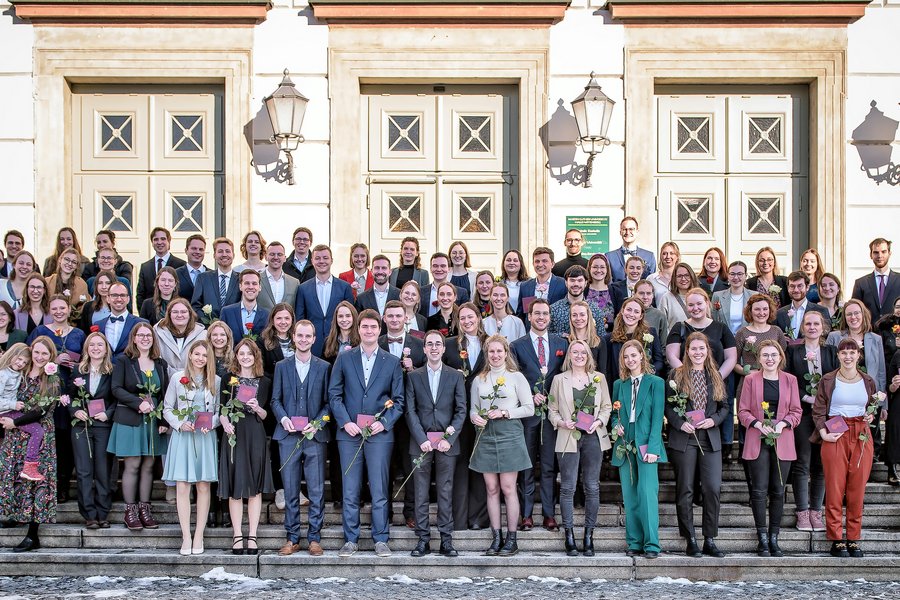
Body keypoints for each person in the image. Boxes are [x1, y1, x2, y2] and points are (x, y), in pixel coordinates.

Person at [329, 309, 405, 557]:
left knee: (380, 489)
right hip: (349, 434)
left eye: (373, 327)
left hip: (379, 434)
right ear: (358, 330)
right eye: (365, 327)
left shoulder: (392, 362)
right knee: (350, 490)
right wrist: (345, 422)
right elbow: (334, 395)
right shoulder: (344, 358)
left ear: (379, 330)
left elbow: (399, 401)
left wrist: (384, 423)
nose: (369, 331)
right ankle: (350, 540)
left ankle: (381, 539)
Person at [813, 338, 880, 558]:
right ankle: (836, 538)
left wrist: (871, 414)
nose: (848, 357)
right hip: (836, 430)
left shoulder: (867, 380)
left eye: (852, 353)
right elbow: (819, 409)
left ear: (858, 355)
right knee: (834, 486)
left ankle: (853, 537)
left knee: (857, 487)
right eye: (844, 353)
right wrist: (824, 433)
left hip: (861, 433)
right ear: (838, 356)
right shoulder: (829, 379)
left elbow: (870, 406)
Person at [665, 332, 730, 558]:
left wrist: (714, 420)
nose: (698, 352)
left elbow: (724, 408)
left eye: (702, 349)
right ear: (687, 351)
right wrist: (680, 423)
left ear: (707, 351)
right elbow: (668, 407)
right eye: (693, 349)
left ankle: (709, 539)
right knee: (686, 489)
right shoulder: (676, 375)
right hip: (685, 439)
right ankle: (690, 538)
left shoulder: (716, 376)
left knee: (712, 488)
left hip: (709, 438)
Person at [469, 334, 535, 556]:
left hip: (509, 434)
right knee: (491, 488)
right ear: (486, 355)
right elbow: (473, 408)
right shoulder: (479, 379)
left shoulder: (516, 377)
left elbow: (529, 408)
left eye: (499, 351)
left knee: (508, 488)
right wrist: (474, 417)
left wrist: (506, 412)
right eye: (491, 352)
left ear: (506, 353)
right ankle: (495, 537)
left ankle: (511, 538)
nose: (495, 355)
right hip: (486, 435)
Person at [404, 329, 467, 557]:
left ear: (443, 348)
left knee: (445, 491)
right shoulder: (413, 376)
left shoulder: (455, 376)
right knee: (420, 493)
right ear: (424, 348)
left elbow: (461, 410)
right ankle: (422, 540)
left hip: (446, 444)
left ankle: (446, 540)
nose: (433, 347)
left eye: (437, 344)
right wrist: (421, 439)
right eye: (429, 344)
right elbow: (410, 411)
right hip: (420, 443)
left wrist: (449, 439)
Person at [738, 340, 802, 557]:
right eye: (765, 355)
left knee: (778, 489)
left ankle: (775, 537)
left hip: (782, 438)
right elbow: (743, 411)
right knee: (758, 490)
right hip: (758, 437)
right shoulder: (750, 380)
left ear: (780, 357)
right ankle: (762, 538)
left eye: (773, 355)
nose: (770, 359)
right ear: (759, 358)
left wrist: (783, 424)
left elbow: (796, 411)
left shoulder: (790, 380)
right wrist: (758, 424)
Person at [548, 339, 612, 556]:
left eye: (582, 352)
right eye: (575, 352)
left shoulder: (598, 378)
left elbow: (606, 406)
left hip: (593, 437)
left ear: (588, 355)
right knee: (567, 487)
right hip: (568, 436)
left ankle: (588, 536)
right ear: (569, 355)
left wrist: (599, 421)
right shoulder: (559, 379)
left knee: (592, 486)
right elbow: (552, 409)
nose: (579, 355)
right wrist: (561, 423)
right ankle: (570, 536)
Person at [271, 320, 329, 556]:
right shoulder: (282, 367)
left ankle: (314, 537)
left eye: (308, 336)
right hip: (288, 436)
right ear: (293, 337)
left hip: (314, 437)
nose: (304, 340)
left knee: (316, 490)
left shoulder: (324, 367)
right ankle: (292, 537)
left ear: (314, 339)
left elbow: (329, 403)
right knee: (291, 489)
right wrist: (283, 418)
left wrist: (316, 424)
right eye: (300, 335)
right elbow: (275, 400)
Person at [510, 298, 567, 531]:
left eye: (545, 314)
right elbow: (514, 377)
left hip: (552, 414)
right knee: (526, 465)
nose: (541, 317)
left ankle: (548, 513)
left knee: (548, 466)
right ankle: (526, 515)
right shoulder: (517, 345)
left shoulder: (560, 343)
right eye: (537, 314)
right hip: (527, 414)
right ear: (530, 317)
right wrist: (528, 396)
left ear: (549, 317)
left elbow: (564, 376)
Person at [108, 322, 170, 531]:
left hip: (153, 421)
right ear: (134, 338)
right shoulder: (124, 361)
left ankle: (145, 509)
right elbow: (115, 388)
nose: (145, 338)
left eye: (149, 335)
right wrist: (138, 403)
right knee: (133, 464)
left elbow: (164, 395)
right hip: (130, 419)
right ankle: (130, 511)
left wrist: (163, 421)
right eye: (141, 335)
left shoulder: (160, 363)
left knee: (149, 466)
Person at [0, 336, 60, 552]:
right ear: (31, 352)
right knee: (16, 476)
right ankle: (16, 516)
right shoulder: (21, 371)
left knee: (37, 482)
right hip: (16, 437)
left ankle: (32, 535)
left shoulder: (52, 377)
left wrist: (15, 422)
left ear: (50, 355)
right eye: (37, 352)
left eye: (45, 354)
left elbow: (41, 411)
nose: (40, 357)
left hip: (39, 435)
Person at [162, 339, 220, 555]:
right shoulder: (178, 378)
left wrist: (211, 424)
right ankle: (186, 535)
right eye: (196, 354)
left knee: (203, 485)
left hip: (204, 437)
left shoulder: (215, 380)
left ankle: (199, 535)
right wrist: (178, 424)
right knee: (183, 486)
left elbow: (218, 411)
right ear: (190, 355)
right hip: (183, 436)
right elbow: (167, 407)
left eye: (204, 355)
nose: (200, 358)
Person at [611, 340, 666, 559]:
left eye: (634, 355)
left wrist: (653, 447)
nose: (630, 360)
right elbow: (614, 413)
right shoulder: (619, 384)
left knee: (647, 494)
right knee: (630, 495)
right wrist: (616, 425)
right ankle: (634, 542)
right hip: (625, 442)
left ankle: (651, 544)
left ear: (642, 356)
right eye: (626, 356)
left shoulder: (656, 382)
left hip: (646, 440)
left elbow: (657, 418)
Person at [28, 295, 86, 500]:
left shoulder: (78, 333)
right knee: (47, 439)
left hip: (70, 391)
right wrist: (54, 359)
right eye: (55, 308)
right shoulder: (41, 331)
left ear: (69, 310)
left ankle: (62, 485)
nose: (59, 311)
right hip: (45, 391)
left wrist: (76, 364)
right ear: (49, 310)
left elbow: (88, 359)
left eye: (63, 307)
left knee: (66, 441)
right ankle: (44, 484)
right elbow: (30, 358)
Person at [219, 339, 274, 555]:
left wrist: (258, 408)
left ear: (256, 356)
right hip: (234, 433)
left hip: (255, 433)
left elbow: (266, 416)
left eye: (249, 353)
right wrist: (224, 422)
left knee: (254, 486)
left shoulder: (265, 381)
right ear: (236, 356)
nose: (245, 357)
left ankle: (252, 535)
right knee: (235, 486)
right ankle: (236, 535)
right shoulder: (228, 379)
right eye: (241, 353)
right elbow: (221, 408)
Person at [786, 311, 836, 532]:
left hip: (827, 413)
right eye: (808, 324)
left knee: (822, 465)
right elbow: (788, 380)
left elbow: (837, 379)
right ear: (803, 327)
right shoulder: (793, 351)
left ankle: (816, 511)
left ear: (823, 327)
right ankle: (803, 512)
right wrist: (808, 397)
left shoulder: (830, 352)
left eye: (816, 323)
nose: (812, 327)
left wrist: (823, 400)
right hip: (803, 412)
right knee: (803, 463)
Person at [442, 304, 489, 531]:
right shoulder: (450, 345)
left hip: (483, 413)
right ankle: (459, 519)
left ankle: (478, 517)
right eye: (462, 318)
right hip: (457, 414)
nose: (467, 321)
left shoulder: (491, 343)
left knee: (480, 464)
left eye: (471, 317)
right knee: (459, 465)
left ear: (479, 318)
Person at [380, 300, 426, 524]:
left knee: (411, 466)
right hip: (384, 414)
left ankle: (410, 513)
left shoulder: (418, 345)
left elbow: (427, 378)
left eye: (399, 316)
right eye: (391, 316)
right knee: (384, 466)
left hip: (411, 415)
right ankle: (384, 512)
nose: (395, 320)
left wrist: (413, 369)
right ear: (384, 318)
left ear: (406, 318)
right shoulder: (376, 343)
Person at [826, 298, 887, 458]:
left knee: (867, 433)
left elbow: (880, 372)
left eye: (856, 313)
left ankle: (866, 461)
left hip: (867, 396)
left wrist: (883, 404)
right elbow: (828, 366)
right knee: (841, 436)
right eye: (849, 314)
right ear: (844, 317)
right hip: (841, 395)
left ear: (863, 314)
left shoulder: (875, 339)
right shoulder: (834, 337)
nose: (853, 317)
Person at [67, 331, 116, 529]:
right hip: (81, 426)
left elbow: (117, 397)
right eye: (92, 345)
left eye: (100, 345)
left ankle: (103, 512)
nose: (96, 348)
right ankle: (89, 514)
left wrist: (109, 413)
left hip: (103, 425)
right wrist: (75, 411)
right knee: (84, 470)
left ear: (106, 349)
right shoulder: (79, 370)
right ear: (87, 348)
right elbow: (69, 396)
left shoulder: (112, 370)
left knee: (103, 469)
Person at [295, 244, 355, 358]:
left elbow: (351, 318)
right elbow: (300, 319)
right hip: (312, 345)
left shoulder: (345, 287)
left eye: (325, 258)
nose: (321, 261)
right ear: (312, 261)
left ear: (332, 260)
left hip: (338, 345)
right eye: (317, 258)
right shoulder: (303, 288)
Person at [0, 344, 44, 481]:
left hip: (11, 410)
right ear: (11, 355)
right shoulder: (3, 374)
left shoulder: (17, 373)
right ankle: (29, 467)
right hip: (6, 412)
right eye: (18, 359)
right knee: (38, 431)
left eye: (24, 362)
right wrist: (13, 404)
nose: (20, 364)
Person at [605, 297, 664, 379]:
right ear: (622, 311)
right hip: (621, 383)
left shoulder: (650, 333)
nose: (631, 314)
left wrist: (647, 372)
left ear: (641, 316)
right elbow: (608, 369)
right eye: (629, 310)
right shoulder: (609, 339)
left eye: (636, 312)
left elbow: (659, 362)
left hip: (645, 381)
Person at [154, 298, 207, 377]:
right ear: (169, 314)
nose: (179, 315)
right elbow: (156, 358)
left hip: (195, 380)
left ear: (190, 314)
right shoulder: (157, 332)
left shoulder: (203, 334)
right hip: (165, 379)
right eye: (175, 312)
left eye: (183, 312)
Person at [851, 237, 900, 322]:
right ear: (871, 255)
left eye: (883, 252)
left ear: (889, 253)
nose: (880, 256)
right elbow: (854, 310)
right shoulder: (860, 283)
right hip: (869, 332)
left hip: (895, 332)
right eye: (876, 252)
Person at [190, 237, 240, 320]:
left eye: (227, 251)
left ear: (233, 255)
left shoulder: (241, 279)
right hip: (209, 329)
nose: (224, 254)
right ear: (214, 255)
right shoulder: (203, 278)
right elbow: (195, 306)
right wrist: (209, 322)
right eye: (220, 251)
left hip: (234, 329)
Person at [136, 227, 186, 308]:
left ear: (169, 241)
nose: (159, 242)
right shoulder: (145, 267)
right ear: (152, 242)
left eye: (163, 239)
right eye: (156, 239)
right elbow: (140, 295)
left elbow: (183, 292)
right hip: (151, 316)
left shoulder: (181, 264)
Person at [549, 266, 604, 338]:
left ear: (585, 283)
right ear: (566, 283)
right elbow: (545, 335)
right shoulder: (554, 309)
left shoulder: (594, 310)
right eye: (572, 280)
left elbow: (601, 337)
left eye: (580, 280)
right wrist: (561, 335)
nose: (576, 284)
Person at [97, 282, 147, 363]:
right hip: (104, 371)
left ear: (128, 299)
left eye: (122, 295)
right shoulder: (98, 325)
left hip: (131, 371)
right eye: (115, 295)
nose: (119, 299)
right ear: (108, 299)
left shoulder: (141, 323)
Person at [774, 271, 830, 341]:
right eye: (792, 286)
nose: (796, 290)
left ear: (807, 287)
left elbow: (826, 336)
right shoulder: (779, 313)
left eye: (800, 286)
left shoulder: (821, 311)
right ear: (788, 288)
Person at [220, 270, 270, 347]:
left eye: (254, 283)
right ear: (240, 286)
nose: (250, 287)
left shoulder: (267, 315)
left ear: (259, 287)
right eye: (247, 283)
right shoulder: (227, 312)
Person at [568, 300, 610, 381]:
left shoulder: (599, 342)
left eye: (582, 315)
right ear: (570, 318)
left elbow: (602, 372)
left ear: (588, 317)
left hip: (593, 387)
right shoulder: (566, 342)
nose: (578, 318)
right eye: (574, 315)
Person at [518, 247, 566, 318]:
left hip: (554, 328)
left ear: (552, 264)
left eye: (544, 261)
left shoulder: (563, 284)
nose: (540, 264)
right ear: (533, 264)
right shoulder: (525, 286)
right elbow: (522, 315)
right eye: (537, 261)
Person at [419, 253, 470, 320]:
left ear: (449, 269)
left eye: (443, 266)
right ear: (431, 269)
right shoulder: (420, 292)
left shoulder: (461, 292)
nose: (439, 269)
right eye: (435, 266)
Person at [606, 217, 656, 282]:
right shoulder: (609, 257)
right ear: (620, 232)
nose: (628, 232)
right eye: (624, 229)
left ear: (637, 232)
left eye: (631, 229)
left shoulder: (649, 256)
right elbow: (608, 282)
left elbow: (651, 282)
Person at [711, 261, 752, 337]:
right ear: (728, 275)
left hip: (749, 340)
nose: (736, 277)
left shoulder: (754, 296)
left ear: (745, 276)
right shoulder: (717, 296)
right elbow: (714, 320)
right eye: (732, 274)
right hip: (724, 340)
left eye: (740, 274)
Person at [46, 247, 91, 313]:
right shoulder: (47, 282)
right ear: (60, 260)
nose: (69, 264)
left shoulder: (82, 284)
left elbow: (84, 305)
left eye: (74, 262)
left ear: (76, 266)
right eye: (67, 259)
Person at [258, 241, 300, 311]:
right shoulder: (256, 279)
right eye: (272, 254)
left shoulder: (294, 283)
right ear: (266, 257)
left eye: (279, 254)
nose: (276, 257)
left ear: (285, 258)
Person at [658, 262, 697, 333]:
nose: (683, 279)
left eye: (686, 275)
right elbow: (663, 326)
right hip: (675, 341)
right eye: (679, 276)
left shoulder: (699, 296)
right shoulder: (666, 298)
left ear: (691, 276)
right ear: (674, 279)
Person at [174, 234, 209, 303]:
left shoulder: (212, 275)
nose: (197, 252)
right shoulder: (176, 274)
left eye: (201, 249)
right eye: (194, 248)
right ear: (186, 250)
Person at [585, 253, 614, 332]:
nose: (598, 270)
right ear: (589, 269)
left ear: (607, 269)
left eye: (602, 267)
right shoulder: (583, 290)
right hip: (587, 335)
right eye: (595, 267)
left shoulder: (615, 291)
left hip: (610, 337)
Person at [886, 339, 900, 486]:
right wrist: (894, 385)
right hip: (898, 398)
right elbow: (888, 386)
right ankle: (892, 468)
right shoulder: (898, 355)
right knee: (895, 428)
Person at [499, 249, 530, 315]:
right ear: (503, 263)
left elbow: (530, 308)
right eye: (508, 260)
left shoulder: (529, 284)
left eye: (515, 260)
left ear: (520, 264)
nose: (511, 263)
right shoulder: (498, 284)